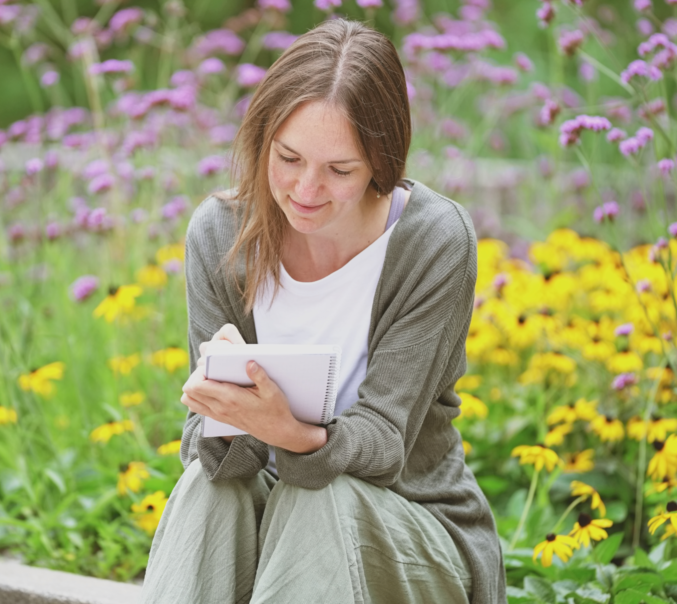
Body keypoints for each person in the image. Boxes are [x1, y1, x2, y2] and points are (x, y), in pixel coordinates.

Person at [142, 18, 506, 604]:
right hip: (273, 534)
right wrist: (225, 415)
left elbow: (385, 445)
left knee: (320, 493)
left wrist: (293, 435)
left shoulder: (434, 240)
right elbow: (207, 451)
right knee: (210, 490)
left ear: (381, 164)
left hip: (414, 534)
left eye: (339, 171)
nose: (306, 189)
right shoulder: (220, 233)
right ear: (262, 141)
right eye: (287, 158)